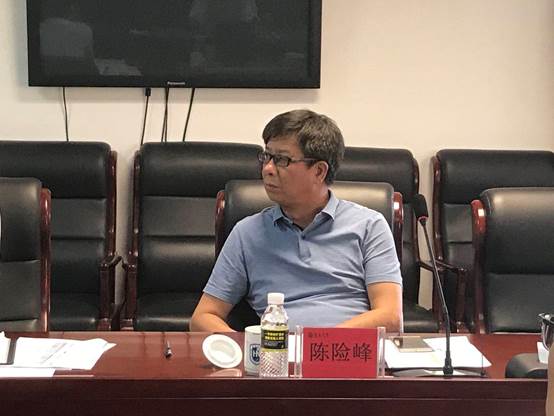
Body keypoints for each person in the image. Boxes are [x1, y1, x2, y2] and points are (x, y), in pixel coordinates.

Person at [190, 109, 403, 332]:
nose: (268, 169)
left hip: (350, 349)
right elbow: (203, 317)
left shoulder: (369, 226)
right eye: (267, 157)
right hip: (277, 350)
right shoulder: (247, 233)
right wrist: (244, 347)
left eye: (282, 160)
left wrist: (318, 345)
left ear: (319, 171)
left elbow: (390, 317)